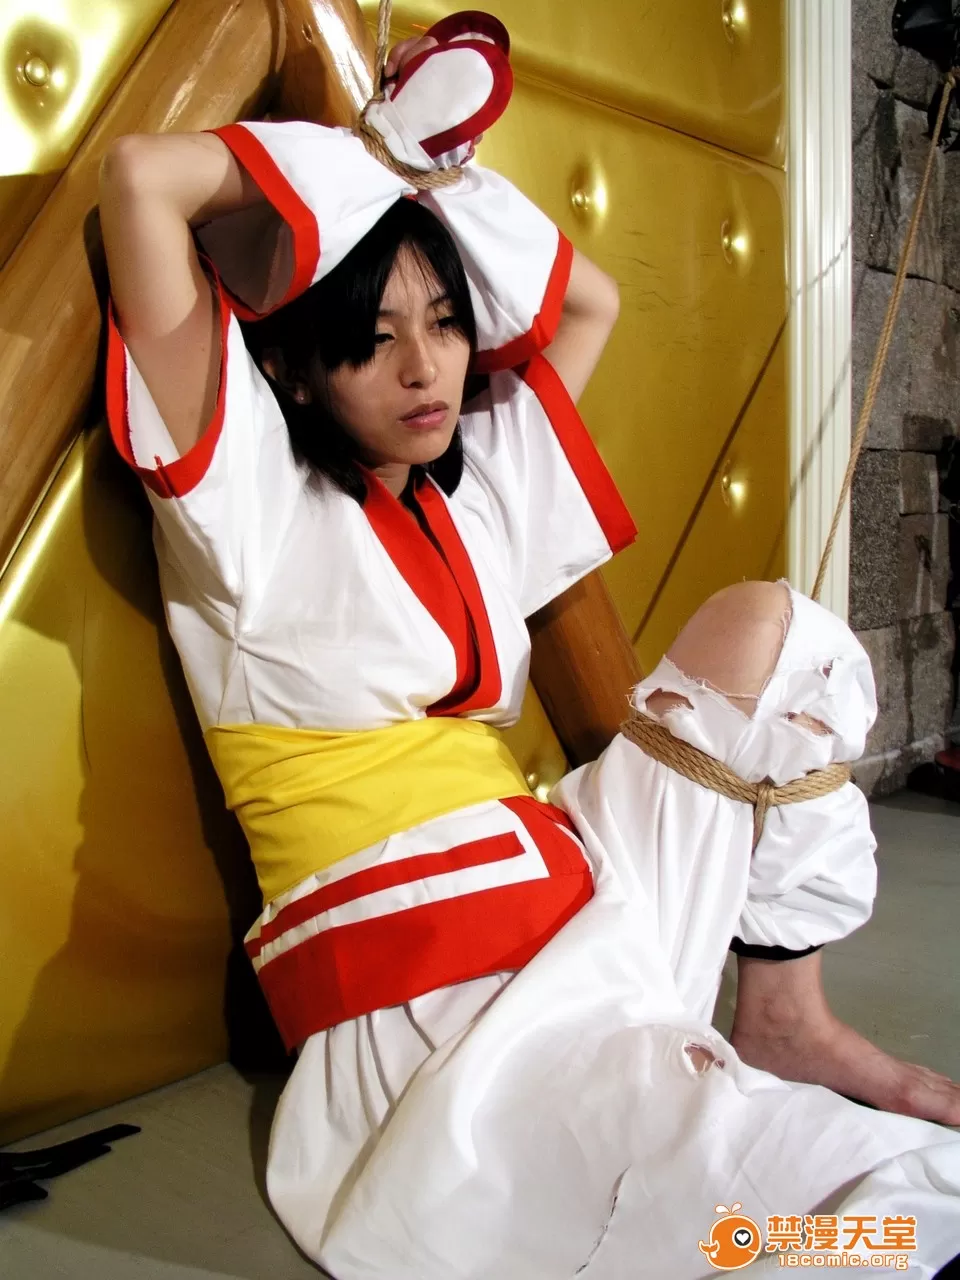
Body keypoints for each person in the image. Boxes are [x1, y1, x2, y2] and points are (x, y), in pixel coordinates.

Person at [98, 20, 960, 1278]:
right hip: (440, 999)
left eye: (448, 322)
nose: (424, 366)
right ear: (296, 366)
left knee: (782, 636)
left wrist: (432, 173)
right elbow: (141, 179)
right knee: (846, 1210)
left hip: (581, 891)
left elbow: (589, 298)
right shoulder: (243, 499)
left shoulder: (472, 493)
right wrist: (367, 160)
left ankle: (787, 1015)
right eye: (373, 335)